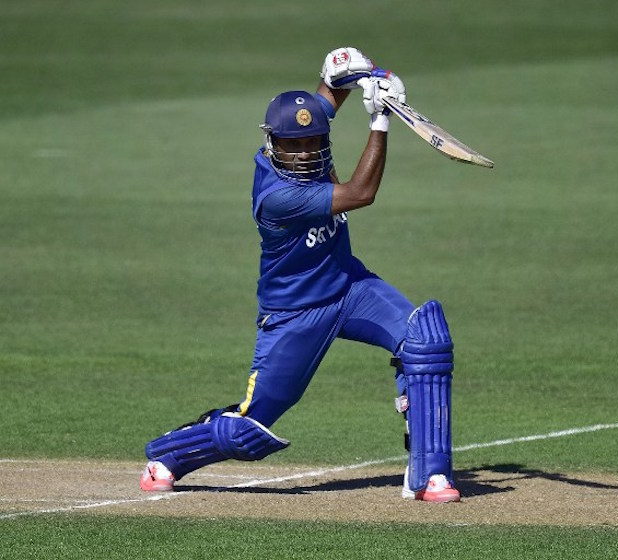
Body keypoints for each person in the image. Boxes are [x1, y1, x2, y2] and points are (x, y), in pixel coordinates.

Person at [140, 47, 460, 503]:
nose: (306, 152)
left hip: (350, 286)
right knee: (251, 426)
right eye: (294, 145)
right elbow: (360, 193)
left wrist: (347, 75)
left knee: (425, 339)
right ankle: (168, 455)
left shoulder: (306, 134)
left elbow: (324, 100)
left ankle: (431, 474)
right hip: (296, 312)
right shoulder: (277, 197)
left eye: (314, 142)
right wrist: (380, 118)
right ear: (273, 143)